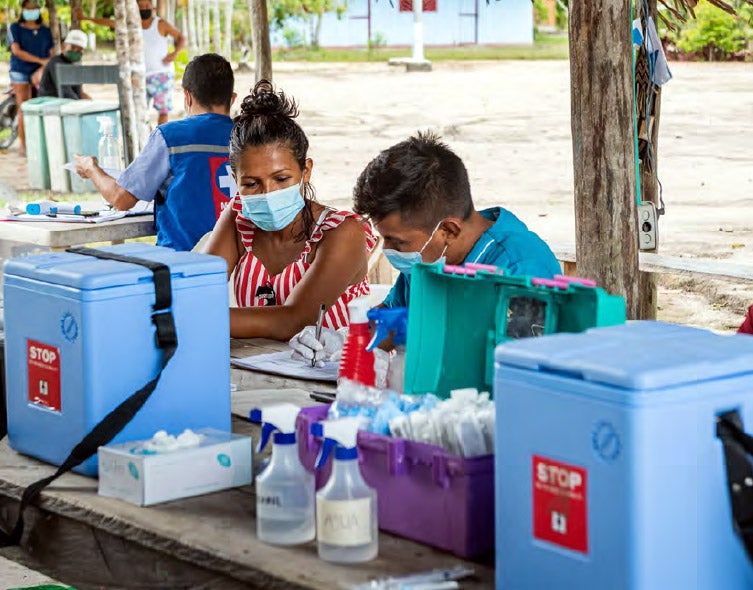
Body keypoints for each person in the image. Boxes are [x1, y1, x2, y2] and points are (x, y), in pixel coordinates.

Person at [289, 131, 562, 363]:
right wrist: (345, 339)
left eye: (398, 241)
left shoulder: (521, 270)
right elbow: (390, 321)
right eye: (385, 237)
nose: (387, 249)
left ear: (448, 230)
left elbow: (522, 370)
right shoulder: (427, 258)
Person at [202, 80, 377, 341]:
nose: (268, 193)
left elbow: (294, 320)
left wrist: (188, 318)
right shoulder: (239, 218)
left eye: (281, 179)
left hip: (329, 376)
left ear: (305, 171)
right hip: (257, 370)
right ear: (235, 179)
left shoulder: (342, 232)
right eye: (251, 183)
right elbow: (200, 289)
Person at [73, 53, 236, 251]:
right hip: (238, 266)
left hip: (184, 265)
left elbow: (121, 199)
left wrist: (91, 168)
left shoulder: (170, 136)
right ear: (232, 99)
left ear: (187, 96)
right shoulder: (250, 137)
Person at [77, 0, 184, 125]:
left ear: (153, 8)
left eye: (147, 6)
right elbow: (108, 23)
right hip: (139, 76)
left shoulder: (161, 24)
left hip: (162, 75)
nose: (144, 9)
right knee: (140, 111)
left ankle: (160, 139)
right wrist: (85, 18)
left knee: (163, 111)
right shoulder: (130, 25)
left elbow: (181, 37)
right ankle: (147, 136)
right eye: (141, 7)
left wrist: (175, 53)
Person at [7, 0, 54, 154]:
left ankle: (42, 144)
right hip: (20, 70)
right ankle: (24, 147)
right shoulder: (15, 28)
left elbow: (51, 53)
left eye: (34, 8)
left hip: (40, 72)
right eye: (28, 8)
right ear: (23, 10)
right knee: (23, 107)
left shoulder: (45, 31)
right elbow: (17, 51)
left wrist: (42, 67)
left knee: (44, 105)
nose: (31, 11)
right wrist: (40, 61)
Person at [38, 29, 91, 100]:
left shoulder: (76, 65)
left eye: (80, 49)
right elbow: (65, 92)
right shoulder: (56, 63)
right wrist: (79, 104)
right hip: (50, 103)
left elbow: (78, 92)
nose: (75, 51)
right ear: (63, 47)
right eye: (73, 47)